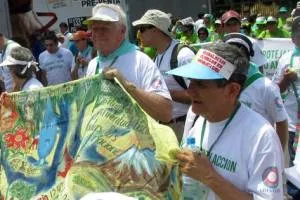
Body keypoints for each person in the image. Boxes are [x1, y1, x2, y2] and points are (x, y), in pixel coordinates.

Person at [168, 42, 284, 200]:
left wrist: (209, 176)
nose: (190, 91)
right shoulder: (199, 119)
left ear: (232, 90)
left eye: (200, 84)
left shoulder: (261, 137)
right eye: (191, 81)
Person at [84, 3, 172, 123]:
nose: (98, 33)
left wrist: (125, 84)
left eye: (105, 28)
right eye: (94, 28)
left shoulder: (140, 60)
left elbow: (165, 113)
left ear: (122, 31)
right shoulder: (93, 64)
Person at [132, 9, 195, 140]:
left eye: (142, 29)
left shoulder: (183, 55)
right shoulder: (157, 57)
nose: (138, 34)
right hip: (166, 128)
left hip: (183, 127)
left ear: (155, 29)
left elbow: (200, 95)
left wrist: (162, 95)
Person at [224, 33, 288, 149]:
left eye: (239, 55)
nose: (233, 61)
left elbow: (281, 122)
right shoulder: (220, 83)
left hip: (259, 151)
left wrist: (279, 153)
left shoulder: (266, 87)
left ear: (248, 57)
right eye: (228, 56)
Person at [272, 16, 300, 199]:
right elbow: (275, 90)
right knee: (294, 173)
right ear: (293, 37)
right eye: (297, 31)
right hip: (292, 126)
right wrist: (286, 80)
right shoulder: (286, 59)